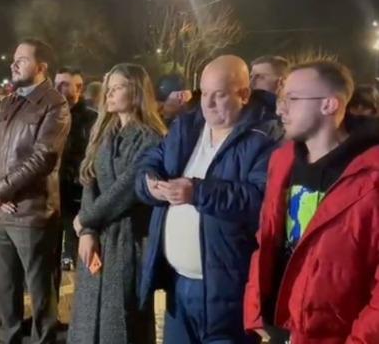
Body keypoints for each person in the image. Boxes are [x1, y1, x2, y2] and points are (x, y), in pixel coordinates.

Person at [135, 55, 281, 344]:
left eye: (220, 95)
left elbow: (260, 200)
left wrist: (198, 192)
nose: (208, 104)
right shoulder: (187, 126)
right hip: (177, 285)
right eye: (204, 93)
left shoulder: (265, 137)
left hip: (228, 291)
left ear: (244, 94)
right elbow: (149, 161)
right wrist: (149, 184)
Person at [245, 60, 379, 344]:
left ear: (329, 104)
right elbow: (266, 239)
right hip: (280, 329)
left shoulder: (371, 174)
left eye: (292, 99)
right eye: (281, 99)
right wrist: (255, 310)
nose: (280, 109)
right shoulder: (282, 161)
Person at [0, 38, 71, 344]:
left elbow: (43, 158)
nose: (13, 64)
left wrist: (1, 190)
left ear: (41, 67)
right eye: (14, 58)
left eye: (22, 59)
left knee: (41, 293)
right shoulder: (9, 102)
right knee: (5, 292)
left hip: (32, 214)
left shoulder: (55, 104)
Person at [68, 63, 165, 344]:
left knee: (122, 320)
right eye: (107, 88)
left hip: (128, 238)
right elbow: (90, 179)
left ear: (136, 91)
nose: (108, 93)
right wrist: (88, 231)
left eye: (117, 87)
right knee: (88, 318)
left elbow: (126, 189)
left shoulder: (151, 139)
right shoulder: (103, 133)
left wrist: (86, 220)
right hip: (96, 237)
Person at [54, 67, 97, 272]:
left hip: (78, 189)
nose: (57, 88)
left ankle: (72, 258)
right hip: (52, 189)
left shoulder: (92, 120)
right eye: (56, 83)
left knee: (78, 235)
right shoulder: (48, 115)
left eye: (64, 84)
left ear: (78, 88)